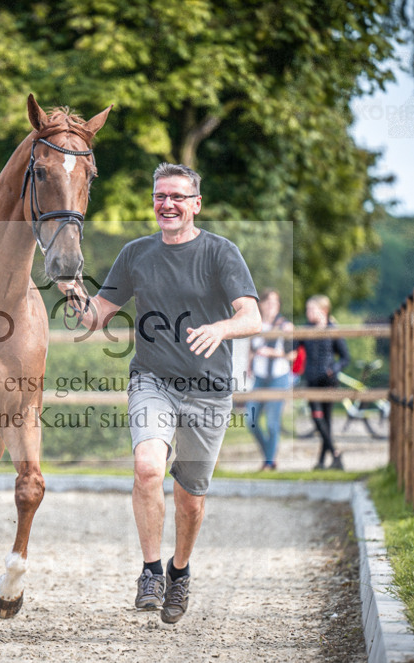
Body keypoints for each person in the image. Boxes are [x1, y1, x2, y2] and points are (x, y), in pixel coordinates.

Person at [58, 162, 260, 625]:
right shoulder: (136, 254)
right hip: (154, 381)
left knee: (190, 498)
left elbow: (252, 318)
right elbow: (97, 317)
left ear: (195, 204)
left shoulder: (220, 253)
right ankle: (150, 572)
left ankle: (179, 571)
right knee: (148, 468)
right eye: (160, 196)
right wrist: (72, 292)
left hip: (209, 391)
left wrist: (220, 329)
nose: (167, 204)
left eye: (177, 197)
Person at [298, 295, 351, 470]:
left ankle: (322, 462)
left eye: (311, 309)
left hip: (328, 380)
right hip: (311, 380)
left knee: (326, 421)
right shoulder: (305, 329)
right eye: (307, 309)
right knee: (318, 419)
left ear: (323, 311)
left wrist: (333, 369)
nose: (308, 313)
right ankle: (335, 453)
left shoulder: (333, 329)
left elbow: (345, 358)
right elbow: (292, 347)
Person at [245, 289, 295, 471]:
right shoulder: (255, 324)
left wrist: (273, 353)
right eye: (269, 302)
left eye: (276, 303)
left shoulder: (285, 326)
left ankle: (268, 462)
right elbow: (251, 348)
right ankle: (269, 455)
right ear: (262, 304)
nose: (273, 306)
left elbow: (293, 355)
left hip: (278, 378)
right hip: (259, 378)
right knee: (250, 420)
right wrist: (248, 364)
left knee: (273, 423)